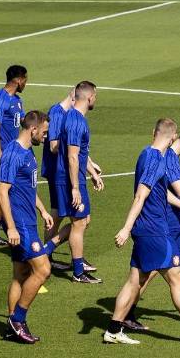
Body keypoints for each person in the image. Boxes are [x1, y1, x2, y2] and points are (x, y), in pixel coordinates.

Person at [104, 118, 180, 345]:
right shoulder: (155, 159)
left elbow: (161, 192)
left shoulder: (147, 154)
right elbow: (140, 196)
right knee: (177, 278)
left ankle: (113, 330)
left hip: (146, 228)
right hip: (153, 229)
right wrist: (126, 228)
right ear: (173, 137)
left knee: (135, 281)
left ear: (155, 132)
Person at [0, 110, 62, 344]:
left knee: (21, 275)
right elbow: (2, 192)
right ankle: (18, 320)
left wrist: (43, 210)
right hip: (20, 224)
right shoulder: (13, 154)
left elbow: (28, 188)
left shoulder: (28, 151)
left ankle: (11, 326)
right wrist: (11, 228)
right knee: (43, 270)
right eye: (44, 132)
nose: (45, 137)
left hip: (28, 220)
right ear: (33, 129)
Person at [55, 80, 105, 283]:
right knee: (79, 222)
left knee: (84, 221)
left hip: (74, 178)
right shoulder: (76, 121)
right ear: (90, 97)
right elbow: (73, 156)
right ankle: (78, 271)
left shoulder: (74, 118)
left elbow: (80, 154)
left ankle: (45, 251)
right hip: (71, 180)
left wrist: (92, 172)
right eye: (95, 96)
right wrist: (75, 187)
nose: (96, 99)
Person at [0, 65, 28, 246]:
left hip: (14, 152)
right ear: (18, 80)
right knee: (4, 191)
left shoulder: (17, 100)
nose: (26, 83)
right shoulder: (0, 99)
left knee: (10, 190)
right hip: (4, 153)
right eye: (25, 80)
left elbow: (23, 121)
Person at [41, 89, 74, 270]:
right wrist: (71, 141)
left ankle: (47, 254)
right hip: (56, 171)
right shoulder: (56, 113)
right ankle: (45, 254)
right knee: (60, 215)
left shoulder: (66, 113)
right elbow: (53, 146)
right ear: (74, 97)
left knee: (62, 215)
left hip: (62, 171)